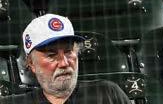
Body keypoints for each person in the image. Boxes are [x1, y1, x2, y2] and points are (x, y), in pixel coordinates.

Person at [2, 14, 130, 103]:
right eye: (51, 55)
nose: (64, 63)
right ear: (31, 64)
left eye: (68, 52)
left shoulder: (107, 94)